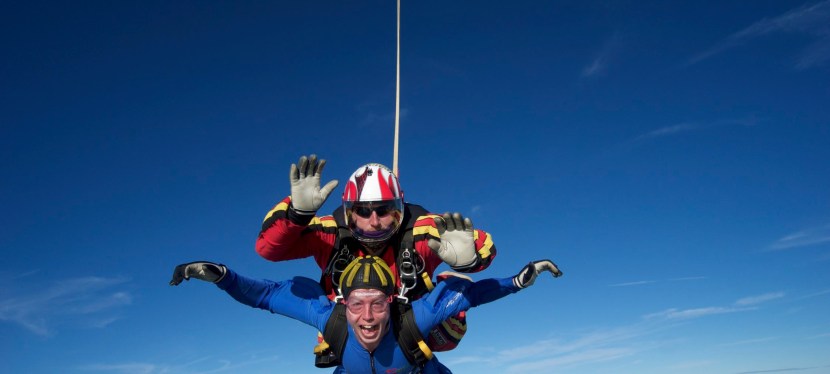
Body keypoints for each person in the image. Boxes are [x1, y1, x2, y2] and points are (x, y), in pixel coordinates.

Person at [256, 155, 498, 362]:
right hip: (353, 336)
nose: (373, 221)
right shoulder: (330, 233)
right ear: (349, 212)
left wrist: (470, 259)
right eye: (362, 211)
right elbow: (269, 249)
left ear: (398, 209)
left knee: (455, 296)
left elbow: (482, 243)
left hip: (412, 334)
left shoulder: (421, 231)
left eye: (383, 210)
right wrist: (297, 215)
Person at [170, 255, 562, 373]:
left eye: (377, 303)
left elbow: (471, 294)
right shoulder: (331, 321)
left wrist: (518, 281)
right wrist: (223, 276)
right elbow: (267, 296)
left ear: (392, 301)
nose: (369, 316)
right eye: (357, 304)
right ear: (343, 304)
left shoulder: (414, 319)